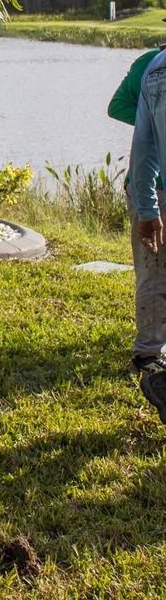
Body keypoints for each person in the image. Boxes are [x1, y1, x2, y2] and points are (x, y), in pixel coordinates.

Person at [123, 43, 166, 420]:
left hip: (156, 193)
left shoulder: (154, 67)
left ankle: (151, 359)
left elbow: (143, 145)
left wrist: (146, 206)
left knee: (153, 273)